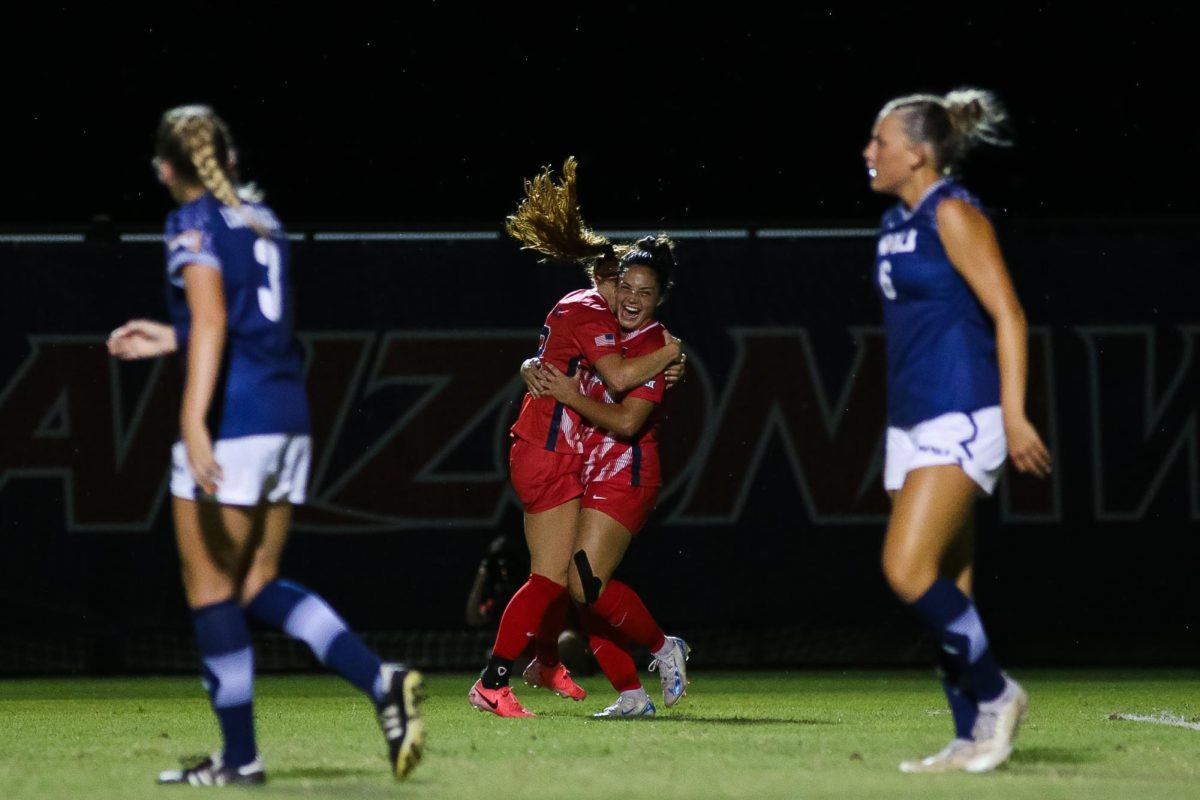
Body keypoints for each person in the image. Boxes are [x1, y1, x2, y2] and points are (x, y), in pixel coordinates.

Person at [107, 105, 424, 784]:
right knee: (256, 583)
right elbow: (246, 324)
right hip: (287, 416)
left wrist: (192, 420)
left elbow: (216, 321)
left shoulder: (190, 222)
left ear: (165, 169)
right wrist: (170, 336)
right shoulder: (262, 219)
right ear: (231, 160)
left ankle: (242, 758)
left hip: (237, 422)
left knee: (210, 590)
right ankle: (381, 680)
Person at [861, 89, 1052, 773]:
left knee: (906, 569)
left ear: (916, 152)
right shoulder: (894, 222)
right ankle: (971, 734)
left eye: (879, 140)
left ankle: (998, 697)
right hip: (911, 421)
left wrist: (1015, 411)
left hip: (963, 411)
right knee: (950, 587)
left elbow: (1009, 314)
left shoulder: (952, 212)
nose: (868, 152)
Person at [468, 158, 684, 717]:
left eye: (639, 286)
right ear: (599, 279)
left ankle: (558, 666)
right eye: (618, 280)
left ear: (659, 295)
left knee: (569, 581)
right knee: (558, 579)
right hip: (553, 452)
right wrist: (672, 352)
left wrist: (538, 369)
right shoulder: (598, 316)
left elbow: (622, 410)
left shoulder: (617, 326)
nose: (625, 292)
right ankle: (504, 677)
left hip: (603, 464)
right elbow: (605, 376)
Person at [531, 235, 690, 718]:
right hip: (587, 467)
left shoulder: (655, 346)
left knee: (587, 585)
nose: (633, 298)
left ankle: (664, 647)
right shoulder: (604, 328)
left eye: (645, 291)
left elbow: (626, 421)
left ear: (659, 299)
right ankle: (632, 695)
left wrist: (566, 392)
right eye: (627, 286)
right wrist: (530, 368)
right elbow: (560, 356)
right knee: (581, 589)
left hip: (627, 473)